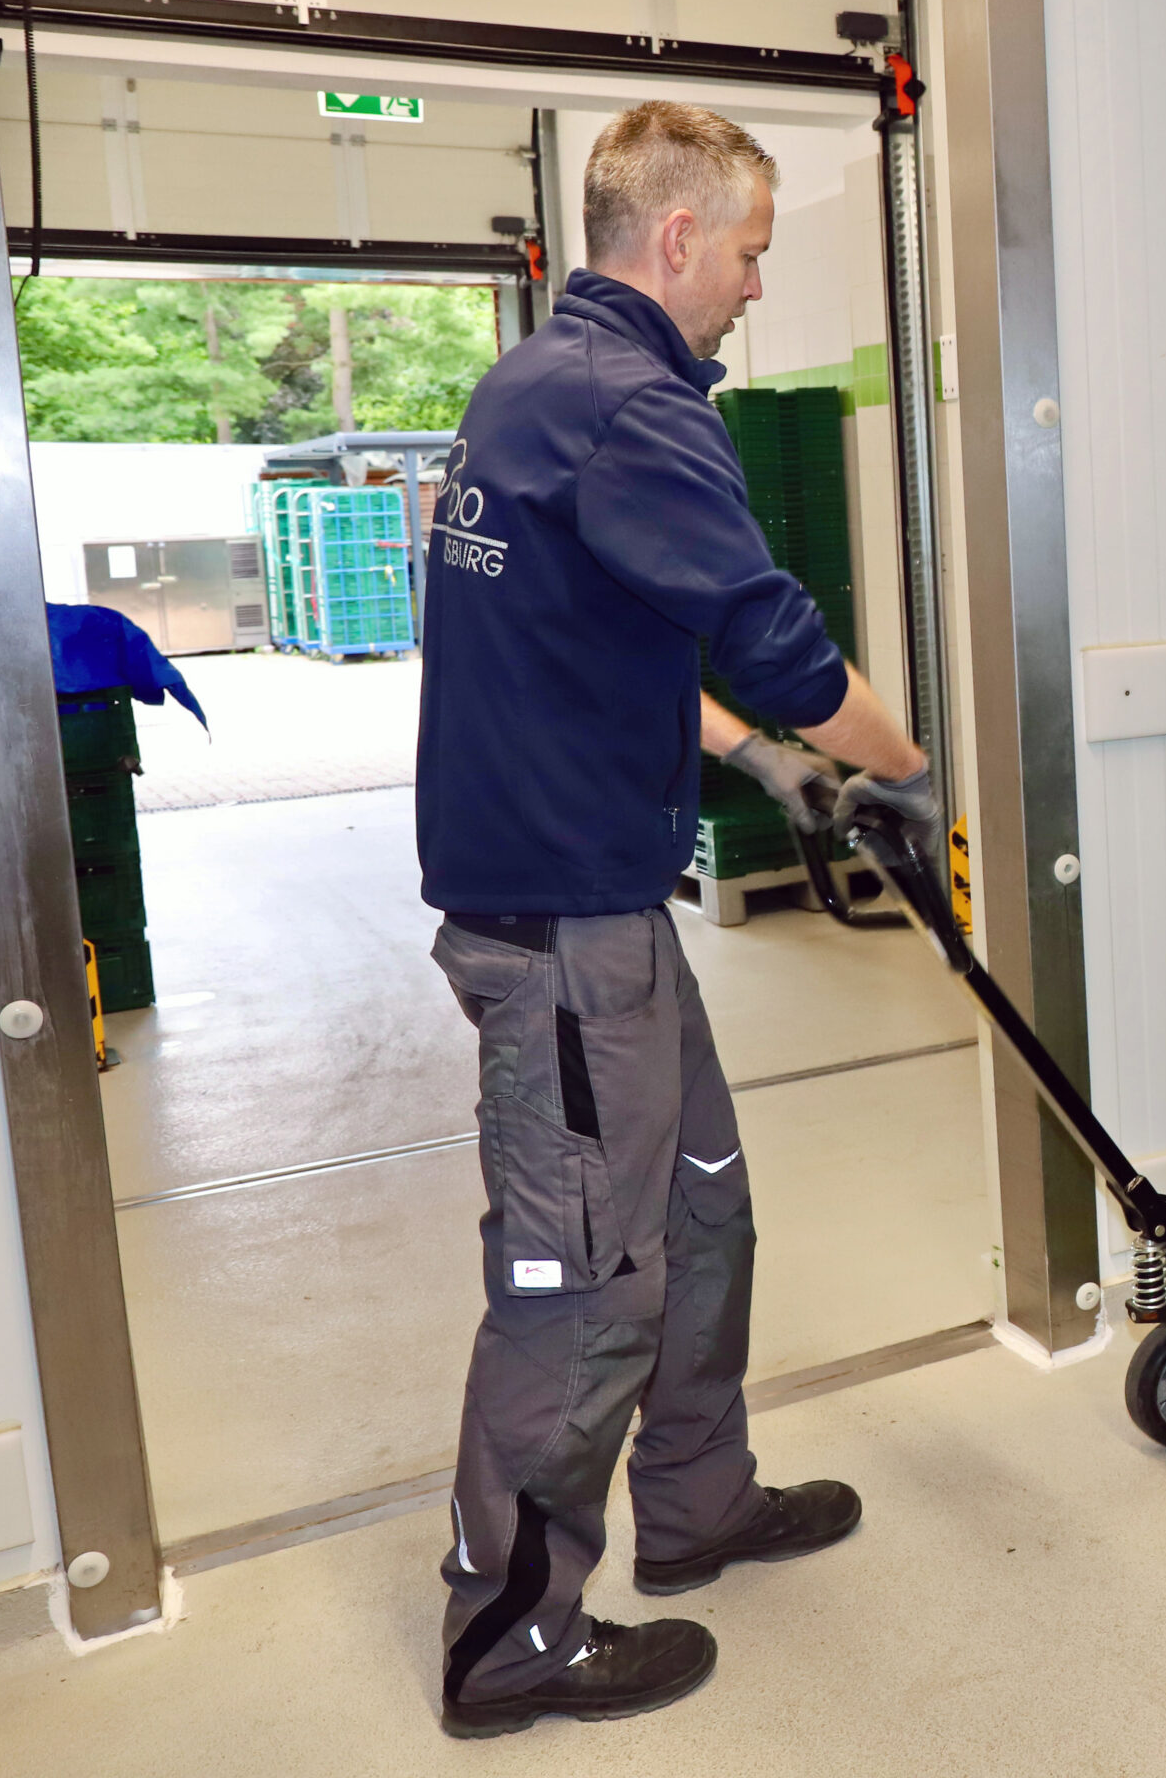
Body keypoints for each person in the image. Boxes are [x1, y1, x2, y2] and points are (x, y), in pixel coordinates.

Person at [413, 100, 944, 1739]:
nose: (756, 290)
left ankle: (701, 1506)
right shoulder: (634, 401)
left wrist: (765, 767)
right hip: (567, 927)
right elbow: (764, 630)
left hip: (603, 910)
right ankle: (509, 1637)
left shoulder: (534, 389)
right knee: (581, 1281)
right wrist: (907, 766)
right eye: (755, 254)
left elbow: (611, 640)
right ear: (679, 241)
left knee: (700, 1214)